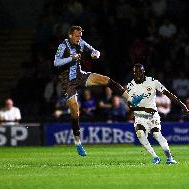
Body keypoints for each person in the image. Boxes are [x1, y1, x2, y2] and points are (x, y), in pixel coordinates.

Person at [54, 25, 144, 156]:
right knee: (75, 110)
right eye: (77, 36)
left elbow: (94, 51)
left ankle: (131, 99)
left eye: (80, 36)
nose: (79, 38)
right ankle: (78, 142)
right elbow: (56, 62)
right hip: (67, 81)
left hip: (80, 75)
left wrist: (96, 54)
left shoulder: (81, 42)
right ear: (70, 35)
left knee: (105, 79)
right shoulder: (63, 46)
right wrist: (71, 58)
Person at [127, 64, 189, 164]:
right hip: (139, 115)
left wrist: (183, 106)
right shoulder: (130, 86)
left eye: (140, 71)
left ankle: (170, 158)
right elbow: (130, 105)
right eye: (136, 72)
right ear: (133, 73)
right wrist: (143, 109)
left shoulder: (153, 82)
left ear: (144, 72)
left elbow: (168, 94)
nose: (138, 74)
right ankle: (155, 157)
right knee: (140, 133)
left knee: (156, 134)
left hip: (152, 115)